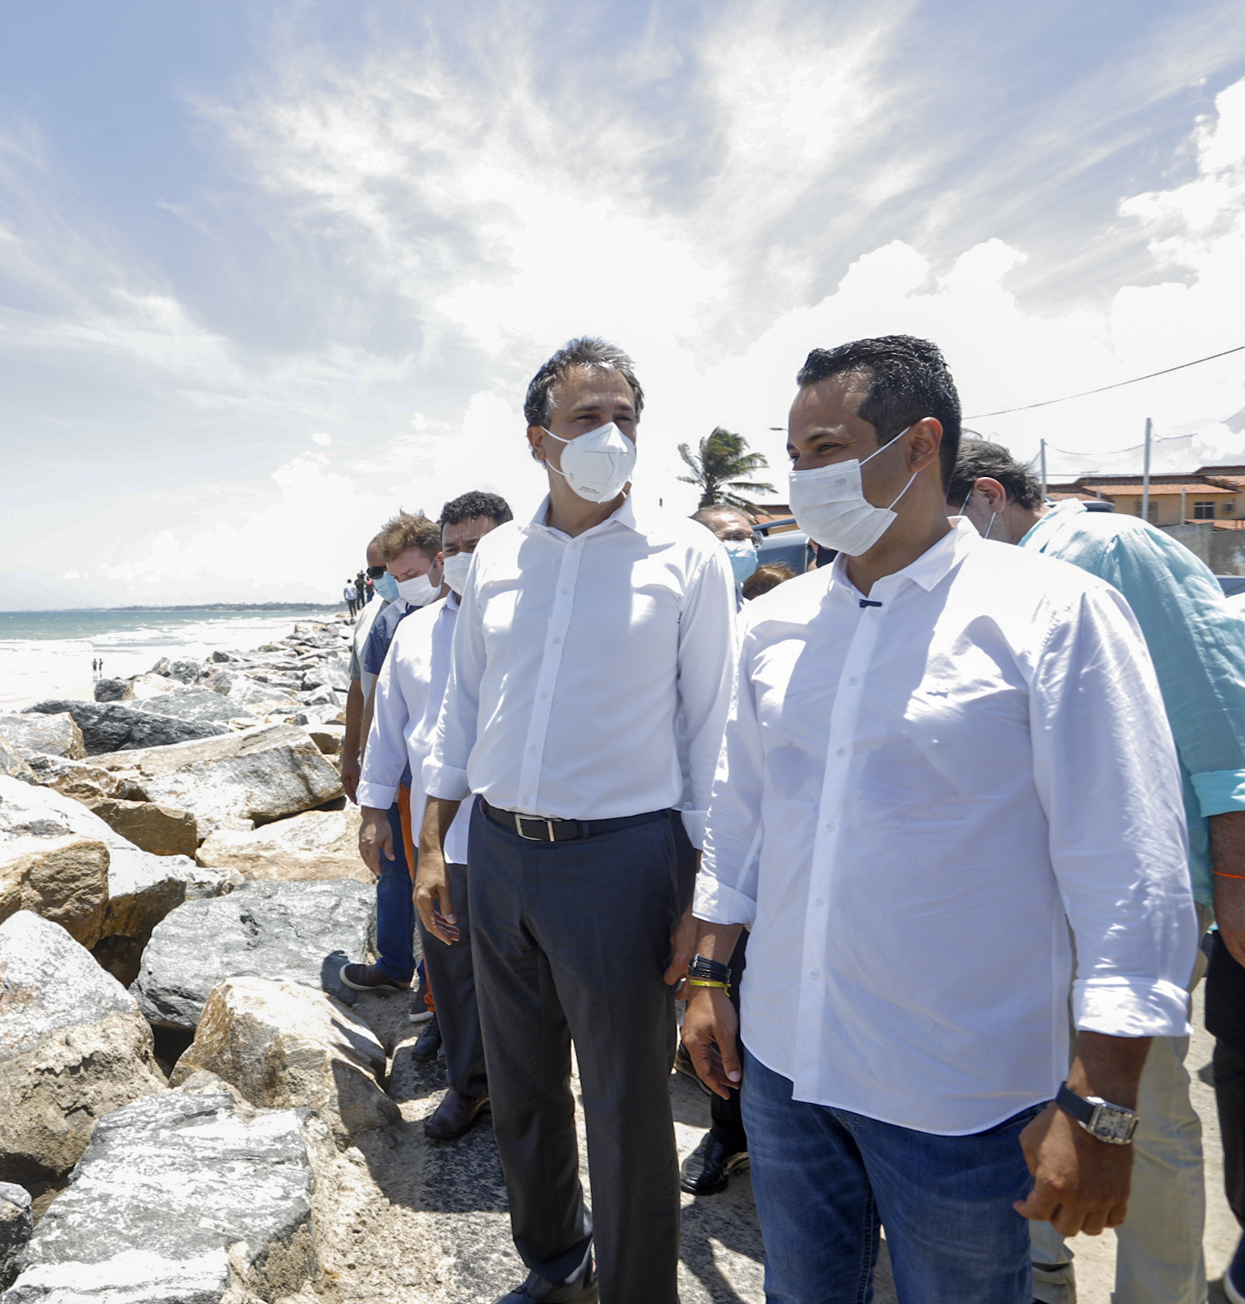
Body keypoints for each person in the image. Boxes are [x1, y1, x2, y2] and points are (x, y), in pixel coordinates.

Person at [683, 335, 1200, 1304]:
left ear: (919, 446)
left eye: (825, 450)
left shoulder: (1053, 613)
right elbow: (741, 810)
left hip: (959, 1094)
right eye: (793, 456)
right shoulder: (775, 624)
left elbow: (1127, 870)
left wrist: (1101, 1106)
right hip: (789, 1068)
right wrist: (710, 971)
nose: (802, 479)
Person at [419, 336, 735, 1304]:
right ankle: (556, 1262)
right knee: (520, 1086)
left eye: (624, 417)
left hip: (622, 863)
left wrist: (706, 901)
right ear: (537, 439)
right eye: (585, 417)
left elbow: (713, 739)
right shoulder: (497, 558)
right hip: (498, 851)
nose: (609, 434)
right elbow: (464, 705)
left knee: (626, 1106)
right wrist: (432, 840)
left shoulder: (687, 556)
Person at [948, 438, 1245, 1304]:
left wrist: (1235, 877)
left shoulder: (1105, 547)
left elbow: (1217, 711)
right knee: (1030, 1091)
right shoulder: (985, 587)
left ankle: (1158, 1293)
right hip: (1027, 895)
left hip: (1119, 892)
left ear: (988, 499)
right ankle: (1044, 1267)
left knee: (1138, 1107)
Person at [359, 489, 512, 1139]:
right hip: (439, 833)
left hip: (526, 834)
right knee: (450, 963)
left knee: (522, 972)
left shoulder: (537, 626)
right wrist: (373, 809)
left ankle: (528, 1086)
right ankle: (472, 1085)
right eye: (453, 547)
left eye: (479, 545)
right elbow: (388, 727)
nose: (463, 557)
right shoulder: (416, 632)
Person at [680, 506, 759, 1197]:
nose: (739, 547)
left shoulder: (773, 619)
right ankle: (728, 1133)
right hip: (702, 841)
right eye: (723, 537)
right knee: (717, 986)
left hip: (775, 846)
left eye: (745, 536)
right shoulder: (673, 625)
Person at [343, 511, 445, 994]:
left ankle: (437, 990)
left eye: (407, 574)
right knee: (399, 872)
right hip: (405, 779)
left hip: (464, 782)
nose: (397, 585)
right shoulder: (389, 619)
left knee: (445, 882)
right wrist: (366, 777)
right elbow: (372, 699)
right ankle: (405, 968)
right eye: (389, 575)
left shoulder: (479, 612)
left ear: (439, 561)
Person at [339, 536, 391, 800]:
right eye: (376, 572)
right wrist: (350, 757)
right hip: (377, 769)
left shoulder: (440, 613)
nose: (388, 577)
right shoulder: (369, 614)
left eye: (391, 567)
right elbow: (358, 689)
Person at [691, 505, 762, 597]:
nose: (748, 546)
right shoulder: (678, 593)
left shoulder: (741, 601)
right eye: (735, 537)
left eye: (752, 540)